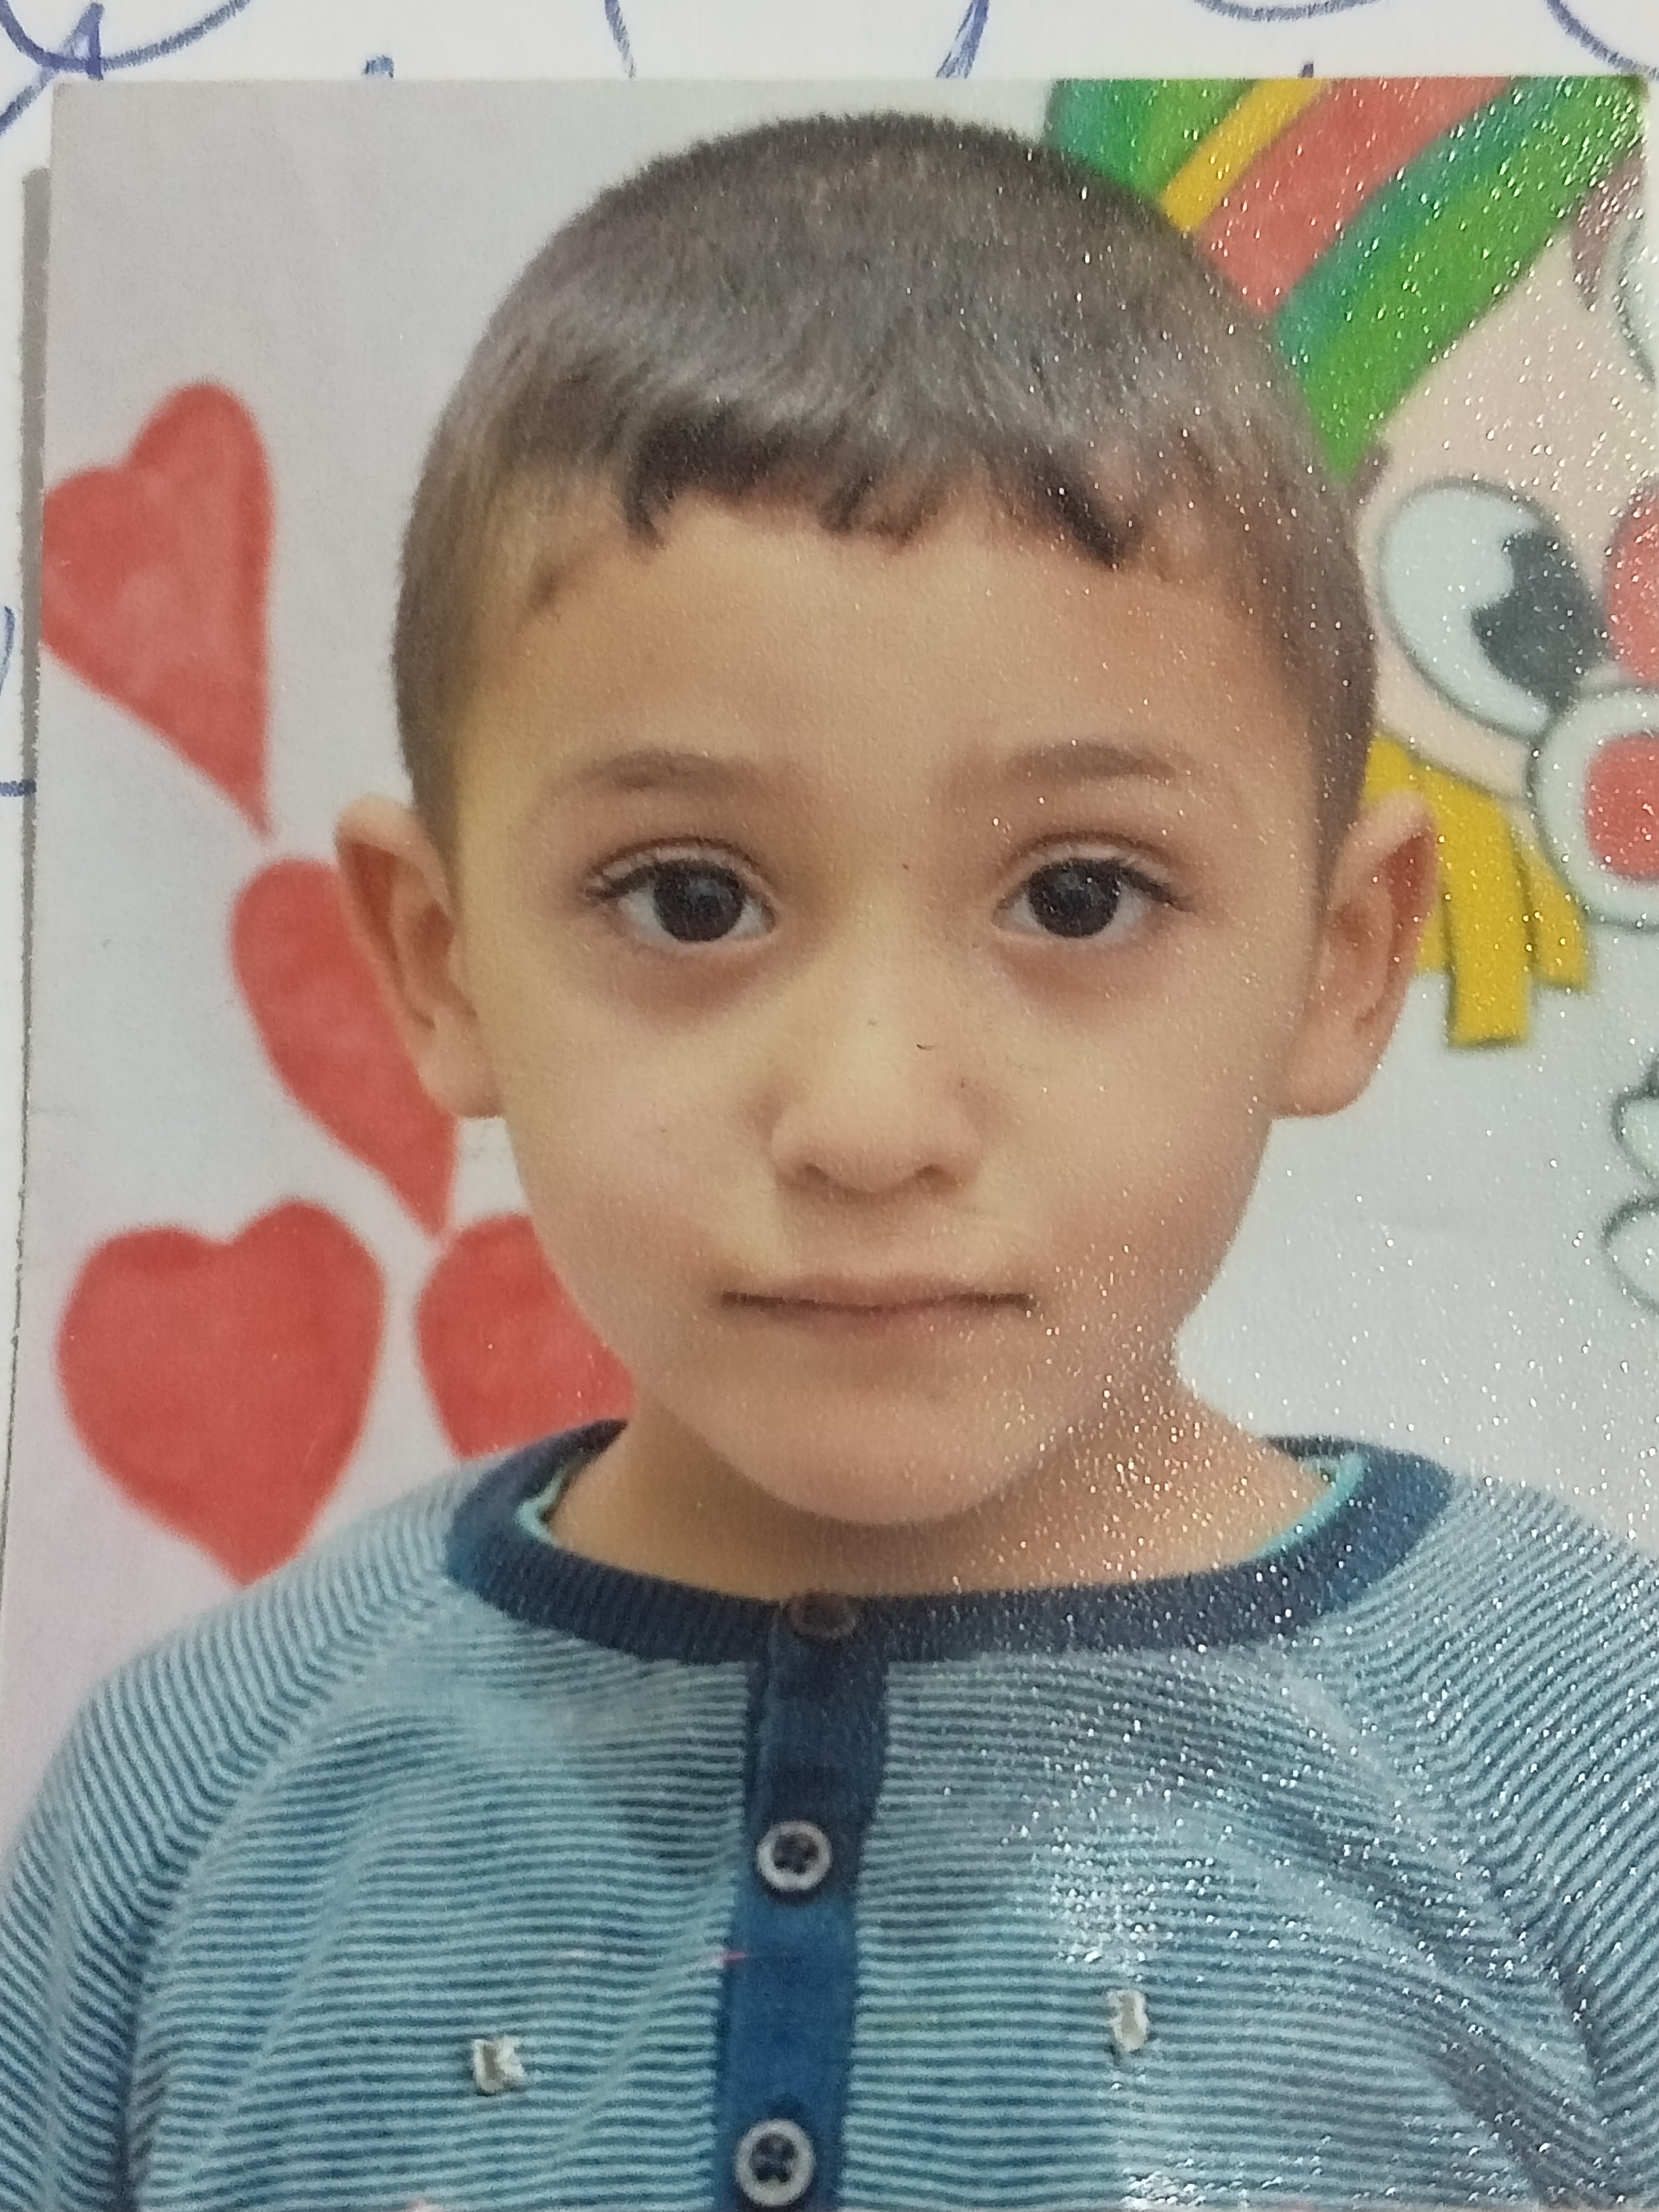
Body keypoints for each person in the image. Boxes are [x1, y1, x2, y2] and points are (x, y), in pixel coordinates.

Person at [2, 108, 1657, 2212]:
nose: (869, 1121)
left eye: (1078, 896)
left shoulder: (1589, 1758)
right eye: (690, 899)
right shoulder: (191, 1804)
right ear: (440, 962)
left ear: (1341, 959)